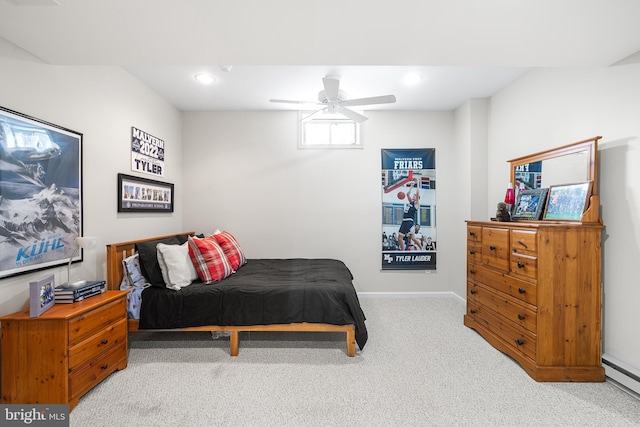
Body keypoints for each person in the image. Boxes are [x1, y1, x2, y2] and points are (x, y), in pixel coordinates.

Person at [398, 178, 420, 251]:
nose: (413, 196)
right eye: (413, 196)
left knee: (412, 237)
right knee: (399, 238)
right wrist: (411, 185)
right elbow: (407, 194)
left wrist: (418, 184)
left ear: (417, 198)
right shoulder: (411, 202)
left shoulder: (416, 204)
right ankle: (403, 251)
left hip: (409, 221)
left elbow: (417, 194)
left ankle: (421, 248)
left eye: (414, 196)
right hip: (404, 221)